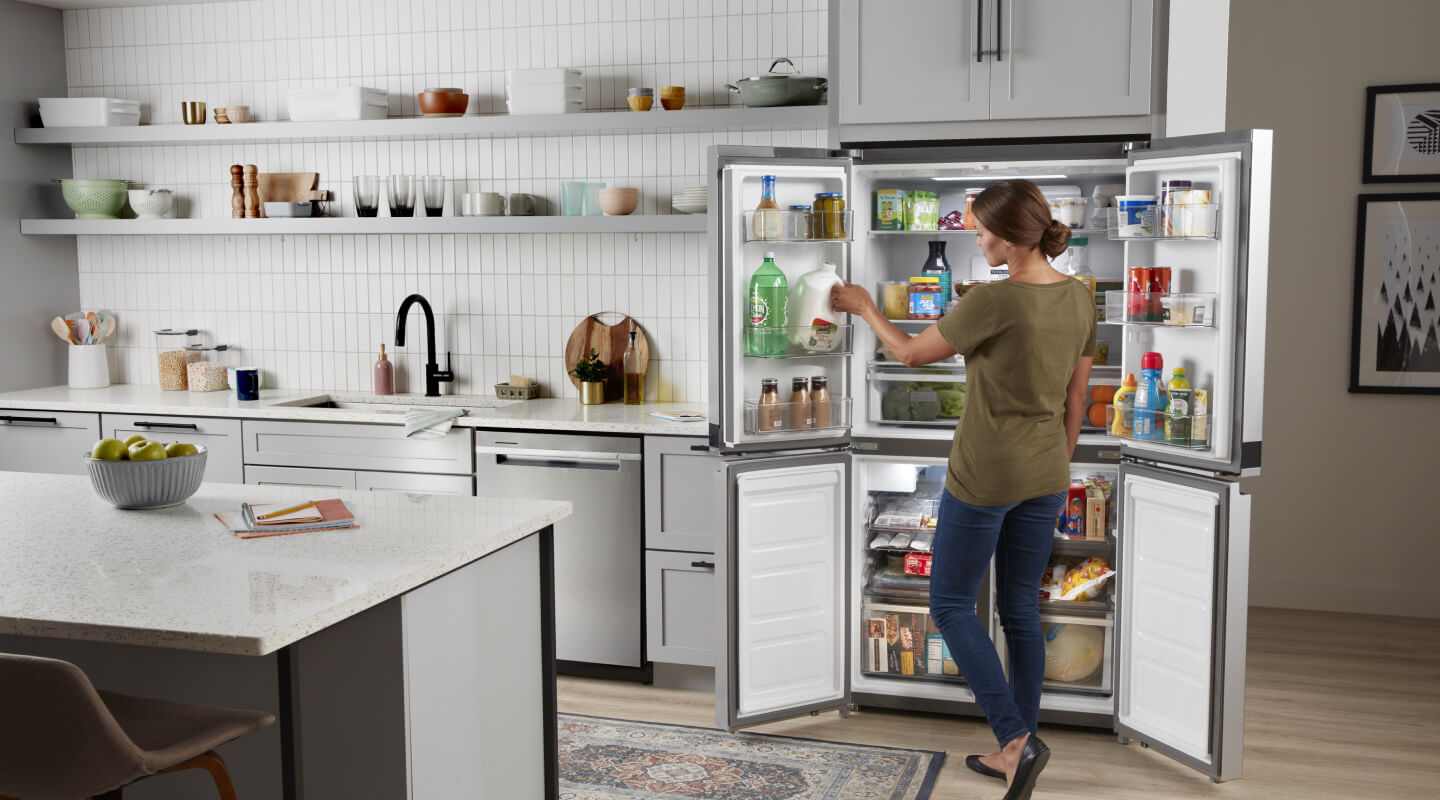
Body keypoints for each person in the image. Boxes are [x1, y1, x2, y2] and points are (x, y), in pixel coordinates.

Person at [831, 180, 1095, 800]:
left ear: (1006, 237)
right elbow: (1077, 399)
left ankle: (1013, 739)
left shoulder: (994, 299)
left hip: (984, 473)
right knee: (1020, 611)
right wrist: (1054, 464)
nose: (976, 240)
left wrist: (865, 306)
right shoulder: (1080, 298)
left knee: (950, 604)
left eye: (979, 231)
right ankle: (1017, 751)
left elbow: (912, 354)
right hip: (1046, 472)